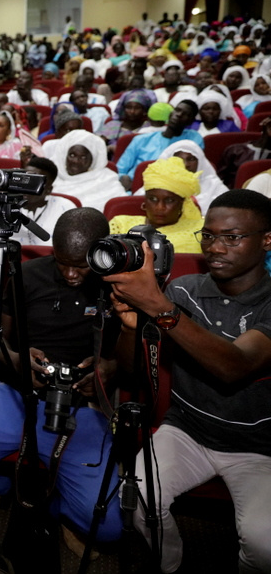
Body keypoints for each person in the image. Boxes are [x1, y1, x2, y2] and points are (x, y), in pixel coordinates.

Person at [0, 208, 122, 547]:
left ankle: (56, 501)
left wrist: (108, 370)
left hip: (80, 409)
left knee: (108, 530)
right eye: (62, 261)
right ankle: (4, 486)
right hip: (15, 396)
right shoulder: (26, 276)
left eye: (81, 265)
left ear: (101, 250)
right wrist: (18, 360)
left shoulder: (117, 285)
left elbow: (133, 361)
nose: (71, 273)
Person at [105, 190, 271, 574]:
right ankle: (171, 564)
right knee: (136, 495)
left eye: (232, 237)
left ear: (267, 240)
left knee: (263, 545)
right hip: (188, 430)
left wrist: (160, 309)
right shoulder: (184, 291)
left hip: (257, 448)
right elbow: (130, 374)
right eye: (208, 235)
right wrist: (132, 327)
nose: (216, 247)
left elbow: (236, 366)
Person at [0, 157, 76, 266]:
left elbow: (71, 252)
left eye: (32, 182)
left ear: (48, 189)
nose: (24, 186)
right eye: (23, 179)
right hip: (6, 270)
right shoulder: (4, 206)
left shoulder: (65, 207)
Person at [109, 156, 203, 254]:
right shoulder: (121, 224)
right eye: (153, 199)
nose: (160, 207)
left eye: (169, 200)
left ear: (182, 203)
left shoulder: (199, 231)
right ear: (145, 201)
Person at [116, 100, 203, 191]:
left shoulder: (192, 138)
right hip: (134, 187)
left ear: (191, 121)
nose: (179, 115)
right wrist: (123, 178)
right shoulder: (142, 139)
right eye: (177, 110)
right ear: (170, 113)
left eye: (186, 114)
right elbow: (120, 169)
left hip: (172, 188)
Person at [136, 140, 227, 214]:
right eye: (179, 160)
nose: (185, 165)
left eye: (191, 159)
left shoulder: (215, 186)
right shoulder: (158, 184)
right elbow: (135, 205)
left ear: (200, 162)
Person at [49, 129, 126, 211]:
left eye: (83, 157)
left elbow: (119, 210)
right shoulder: (52, 178)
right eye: (72, 155)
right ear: (64, 155)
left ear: (93, 161)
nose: (76, 161)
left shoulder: (107, 180)